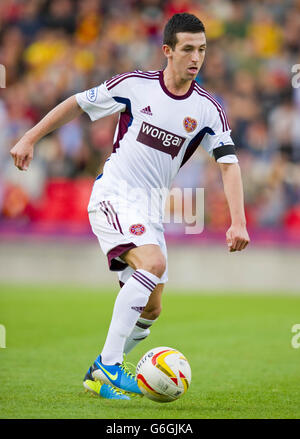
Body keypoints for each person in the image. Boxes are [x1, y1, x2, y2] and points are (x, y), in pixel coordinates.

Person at [10, 13, 250, 400]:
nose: (196, 58)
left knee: (152, 308)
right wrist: (30, 137)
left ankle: (97, 374)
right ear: (168, 51)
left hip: (150, 211)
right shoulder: (136, 86)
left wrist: (238, 221)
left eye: (202, 50)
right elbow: (76, 103)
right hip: (114, 195)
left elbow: (229, 164)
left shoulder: (208, 110)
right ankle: (108, 364)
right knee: (152, 264)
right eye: (188, 49)